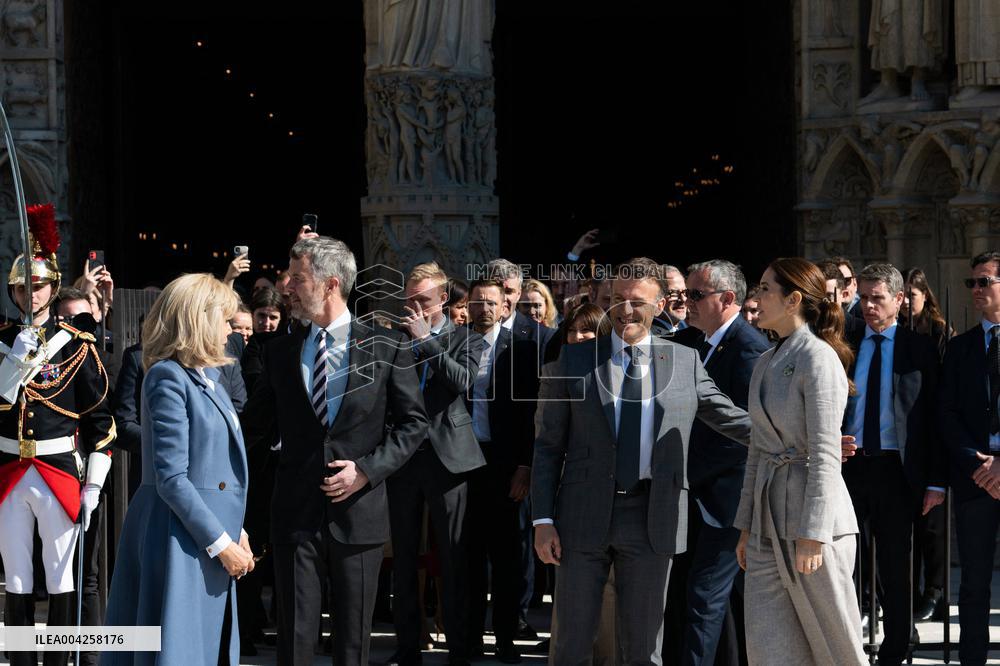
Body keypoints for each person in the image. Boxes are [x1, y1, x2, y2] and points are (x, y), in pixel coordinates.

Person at [532, 257, 752, 665]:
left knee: (644, 648)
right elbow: (547, 447)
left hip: (655, 516)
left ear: (661, 304)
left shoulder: (684, 361)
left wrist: (803, 438)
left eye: (636, 301)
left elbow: (731, 419)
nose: (624, 311)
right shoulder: (574, 361)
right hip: (580, 516)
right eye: (616, 300)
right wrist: (542, 520)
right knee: (571, 645)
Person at [241, 236, 429, 666]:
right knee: (294, 641)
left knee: (351, 646)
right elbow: (252, 425)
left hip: (359, 515)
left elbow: (413, 423)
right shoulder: (280, 351)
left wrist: (366, 470)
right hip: (295, 514)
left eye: (297, 278)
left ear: (329, 284)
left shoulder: (386, 345)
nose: (287, 286)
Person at [103, 273, 252, 666]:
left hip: (206, 533)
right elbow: (172, 478)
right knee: (180, 651)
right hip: (177, 537)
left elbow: (217, 469)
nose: (229, 329)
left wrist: (237, 530)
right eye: (224, 319)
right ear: (200, 320)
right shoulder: (166, 376)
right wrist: (222, 543)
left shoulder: (214, 379)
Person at [734, 257, 866, 665]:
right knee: (768, 649)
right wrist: (745, 527)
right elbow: (758, 450)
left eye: (764, 289)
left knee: (835, 647)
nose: (755, 298)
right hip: (766, 524)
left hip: (815, 525)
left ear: (793, 300)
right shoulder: (763, 362)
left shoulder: (819, 357)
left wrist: (813, 534)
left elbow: (827, 454)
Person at [0, 204, 116, 666]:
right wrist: (14, 361)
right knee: (17, 577)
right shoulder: (5, 340)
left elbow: (100, 423)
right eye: (23, 286)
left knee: (61, 573)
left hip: (58, 470)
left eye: (40, 284)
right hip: (10, 469)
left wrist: (93, 485)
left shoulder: (75, 344)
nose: (32, 292)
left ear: (53, 288)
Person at [667, 260, 770, 666]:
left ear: (727, 299)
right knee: (692, 597)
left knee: (704, 597)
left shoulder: (750, 350)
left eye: (695, 295)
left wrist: (691, 469)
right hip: (693, 496)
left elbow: (747, 434)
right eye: (684, 295)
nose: (686, 303)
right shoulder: (693, 342)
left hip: (726, 499)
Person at [841, 263, 943, 666]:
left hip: (896, 471)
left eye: (877, 297)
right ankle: (846, 643)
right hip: (848, 466)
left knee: (896, 565)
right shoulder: (843, 343)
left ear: (900, 300)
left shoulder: (919, 349)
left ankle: (897, 646)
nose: (867, 306)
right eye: (862, 297)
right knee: (845, 561)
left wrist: (936, 481)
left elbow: (934, 418)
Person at [385, 262, 485, 666]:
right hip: (404, 459)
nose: (414, 308)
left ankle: (459, 649)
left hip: (450, 459)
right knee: (404, 558)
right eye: (409, 300)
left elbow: (463, 382)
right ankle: (408, 647)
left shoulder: (467, 338)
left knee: (454, 557)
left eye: (422, 300)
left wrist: (427, 342)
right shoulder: (394, 340)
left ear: (443, 299)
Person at [939, 251, 1000, 666]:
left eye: (985, 281)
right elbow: (946, 413)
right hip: (976, 477)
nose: (976, 290)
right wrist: (979, 465)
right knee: (974, 582)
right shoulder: (959, 348)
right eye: (971, 283)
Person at [900, 267, 951, 622]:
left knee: (932, 526)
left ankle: (935, 590)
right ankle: (910, 593)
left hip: (932, 434)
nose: (906, 303)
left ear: (925, 296)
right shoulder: (894, 333)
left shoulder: (938, 332)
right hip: (903, 443)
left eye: (911, 296)